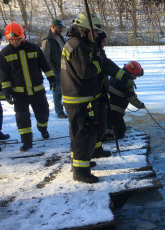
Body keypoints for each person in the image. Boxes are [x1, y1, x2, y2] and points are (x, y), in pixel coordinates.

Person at [61, 12, 106, 183]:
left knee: (77, 133)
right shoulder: (79, 46)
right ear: (85, 30)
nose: (96, 35)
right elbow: (85, 72)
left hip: (76, 97)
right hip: (80, 98)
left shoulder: (74, 43)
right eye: (94, 32)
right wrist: (97, 61)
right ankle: (81, 172)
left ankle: (78, 163)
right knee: (84, 134)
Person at [0, 22, 56, 152]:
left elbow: (45, 65)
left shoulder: (34, 48)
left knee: (43, 114)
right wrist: (7, 92)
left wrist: (52, 79)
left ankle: (43, 128)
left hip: (37, 91)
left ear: (22, 36)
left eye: (17, 39)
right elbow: (4, 75)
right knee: (22, 119)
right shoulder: (4, 53)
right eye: (11, 40)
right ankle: (27, 141)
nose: (15, 42)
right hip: (19, 94)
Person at [108, 60, 145, 139]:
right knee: (121, 131)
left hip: (108, 107)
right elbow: (131, 98)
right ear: (131, 71)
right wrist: (141, 105)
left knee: (111, 126)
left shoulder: (118, 74)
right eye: (135, 75)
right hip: (115, 110)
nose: (135, 78)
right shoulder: (127, 80)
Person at [41, 19, 67, 119]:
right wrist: (51, 71)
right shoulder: (47, 40)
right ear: (52, 27)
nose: (61, 30)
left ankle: (67, 109)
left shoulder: (61, 38)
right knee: (57, 91)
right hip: (55, 69)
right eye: (59, 28)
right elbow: (45, 58)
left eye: (61, 28)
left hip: (64, 68)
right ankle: (59, 111)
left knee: (66, 89)